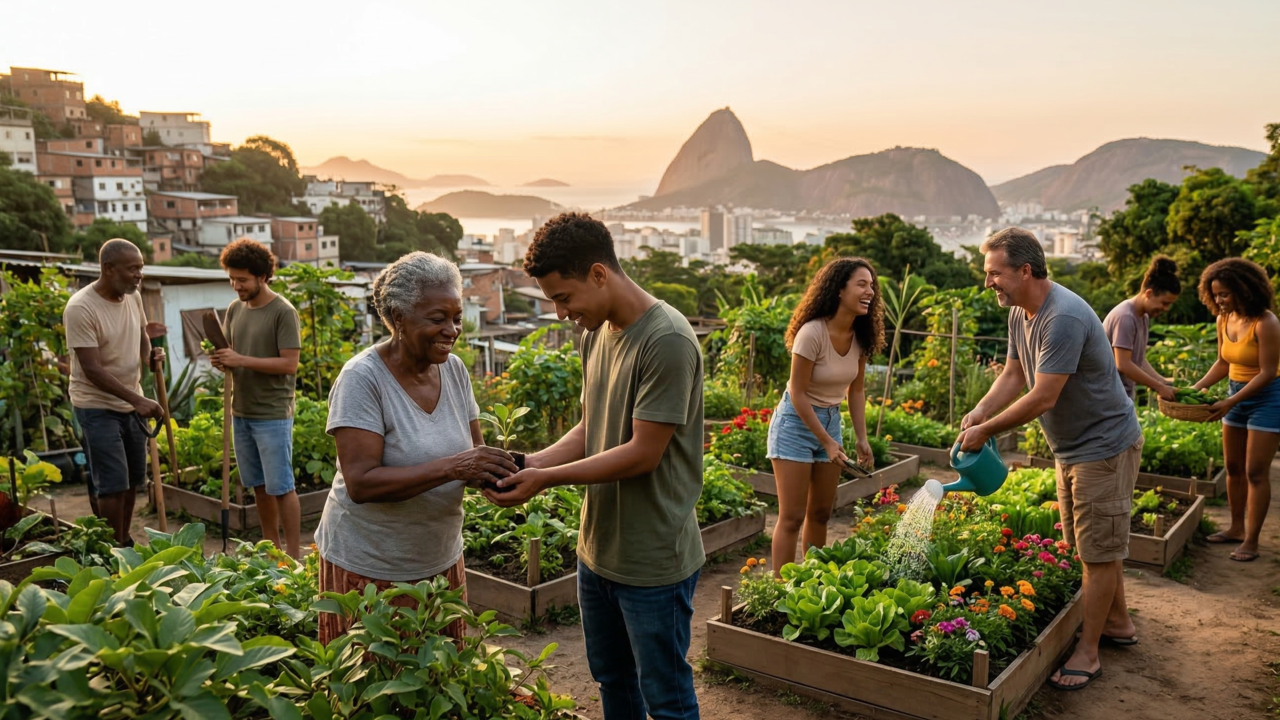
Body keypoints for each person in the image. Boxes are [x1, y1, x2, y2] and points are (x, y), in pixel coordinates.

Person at [485, 212, 704, 720]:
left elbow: (641, 453)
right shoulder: (596, 331)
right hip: (598, 550)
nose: (561, 313)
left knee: (666, 698)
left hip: (652, 560)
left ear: (600, 274)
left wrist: (545, 480)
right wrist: (531, 462)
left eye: (564, 297)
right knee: (613, 682)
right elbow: (591, 426)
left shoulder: (665, 339)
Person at [956, 227, 1143, 692]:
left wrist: (985, 431)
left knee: (1096, 554)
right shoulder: (1021, 311)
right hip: (1074, 448)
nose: (988, 284)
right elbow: (1016, 373)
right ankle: (1118, 623)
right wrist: (979, 411)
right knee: (1091, 546)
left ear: (1025, 270)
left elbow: (1043, 396)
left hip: (1103, 447)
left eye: (994, 274)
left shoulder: (1063, 317)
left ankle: (1089, 651)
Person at [313, 251, 518, 644]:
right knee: (377, 692)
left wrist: (501, 476)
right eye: (438, 318)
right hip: (371, 567)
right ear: (399, 317)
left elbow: (472, 452)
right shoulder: (362, 380)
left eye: (456, 318)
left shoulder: (454, 371)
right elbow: (361, 483)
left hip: (439, 560)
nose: (452, 330)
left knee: (437, 686)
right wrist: (454, 468)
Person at [768, 257, 883, 572]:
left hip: (830, 421)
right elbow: (797, 392)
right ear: (839, 289)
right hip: (795, 423)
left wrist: (861, 439)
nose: (869, 291)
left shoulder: (860, 336)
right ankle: (780, 589)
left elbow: (855, 391)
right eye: (861, 284)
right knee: (791, 517)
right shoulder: (812, 333)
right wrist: (827, 442)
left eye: (871, 285)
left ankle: (810, 581)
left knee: (820, 513)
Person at [64, 238, 167, 545]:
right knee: (112, 482)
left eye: (141, 268)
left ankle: (123, 540)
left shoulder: (132, 295)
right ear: (108, 269)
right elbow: (92, 369)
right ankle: (110, 548)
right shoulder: (81, 308)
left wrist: (150, 355)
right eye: (132, 269)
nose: (139, 275)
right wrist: (138, 400)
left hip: (130, 400)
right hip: (96, 405)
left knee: (133, 478)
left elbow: (141, 331)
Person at [210, 239, 303, 558]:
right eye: (232, 279)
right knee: (259, 486)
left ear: (263, 276)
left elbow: (289, 364)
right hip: (242, 411)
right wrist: (222, 359)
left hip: (272, 414)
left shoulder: (283, 312)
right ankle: (271, 550)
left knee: (282, 486)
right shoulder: (235, 309)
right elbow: (231, 354)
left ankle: (293, 556)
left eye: (243, 280)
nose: (236, 286)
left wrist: (240, 360)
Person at [1193, 258, 1280, 562]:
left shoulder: (1266, 322)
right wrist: (1196, 389)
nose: (1219, 301)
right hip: (1235, 394)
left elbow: (1268, 372)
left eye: (1225, 295)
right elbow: (1223, 362)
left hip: (1267, 398)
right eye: (1215, 295)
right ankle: (1235, 528)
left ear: (1245, 290)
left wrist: (1231, 401)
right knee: (1232, 468)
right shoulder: (1223, 320)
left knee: (1255, 471)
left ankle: (1252, 540)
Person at [1102, 256, 1180, 403]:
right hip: (1107, 397)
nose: (1166, 309)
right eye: (1164, 303)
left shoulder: (1143, 316)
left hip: (1121, 395)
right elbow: (1123, 364)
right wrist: (1158, 387)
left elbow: (1138, 360)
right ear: (1149, 293)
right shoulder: (1125, 317)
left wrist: (1163, 381)